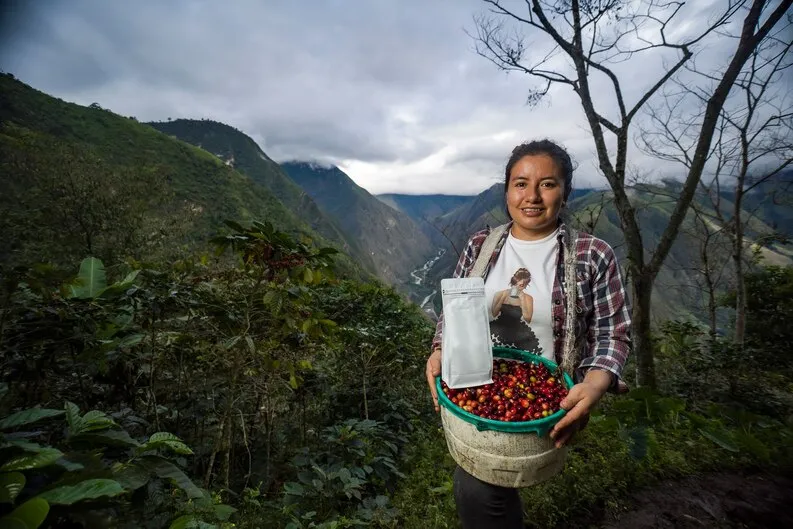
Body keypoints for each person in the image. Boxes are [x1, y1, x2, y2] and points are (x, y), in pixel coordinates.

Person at [425, 139, 631, 529]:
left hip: (548, 399)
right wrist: (439, 348)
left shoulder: (592, 255)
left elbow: (613, 335)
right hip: (477, 386)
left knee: (481, 488)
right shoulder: (480, 246)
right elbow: (455, 312)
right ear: (506, 190)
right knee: (480, 484)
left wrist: (595, 384)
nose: (532, 196)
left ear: (566, 192)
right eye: (520, 184)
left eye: (547, 184)